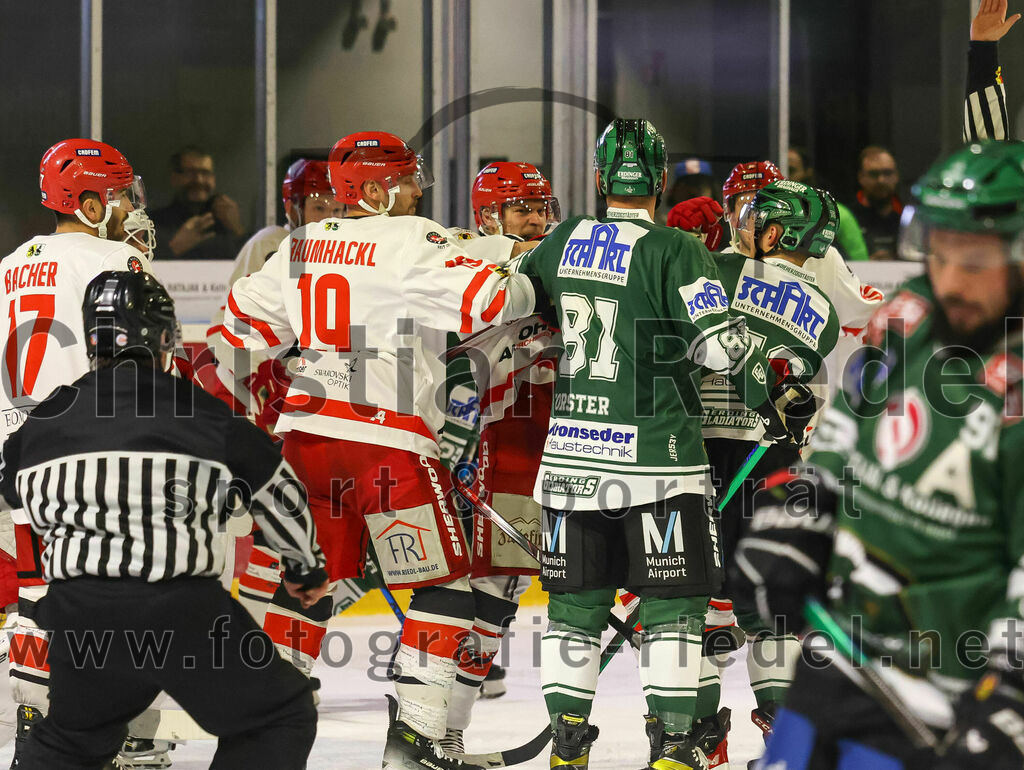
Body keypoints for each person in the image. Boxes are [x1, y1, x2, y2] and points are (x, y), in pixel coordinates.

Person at [213, 130, 540, 770]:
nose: (419, 190)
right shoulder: (413, 239)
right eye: (409, 178)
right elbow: (493, 301)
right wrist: (520, 273)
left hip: (303, 443)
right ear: (374, 189)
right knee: (443, 585)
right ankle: (413, 743)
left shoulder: (300, 245)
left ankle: (263, 739)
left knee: (297, 591)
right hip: (387, 445)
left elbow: (238, 328)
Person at [732, 139, 1024, 770]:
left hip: (950, 689)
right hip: (844, 650)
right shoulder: (908, 316)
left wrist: (1012, 694)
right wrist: (798, 510)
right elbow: (842, 434)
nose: (949, 281)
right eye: (938, 256)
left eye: (974, 263)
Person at [511, 118, 789, 770]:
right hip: (660, 465)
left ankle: (568, 748)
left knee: (574, 612)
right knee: (673, 612)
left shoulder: (561, 240)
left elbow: (511, 310)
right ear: (661, 182)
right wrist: (768, 390)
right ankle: (671, 751)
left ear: (602, 179)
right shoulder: (675, 248)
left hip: (570, 463)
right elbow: (720, 347)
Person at [0, 269, 328, 770]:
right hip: (179, 609)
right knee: (279, 714)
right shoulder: (191, 407)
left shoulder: (46, 416)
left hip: (78, 613)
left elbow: (11, 490)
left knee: (72, 739)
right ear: (164, 338)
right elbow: (278, 489)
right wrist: (305, 567)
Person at [0, 138, 165, 766]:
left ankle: (36, 730)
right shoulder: (116, 259)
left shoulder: (12, 263)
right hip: (94, 453)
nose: (128, 205)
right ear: (90, 200)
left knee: (40, 596)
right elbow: (139, 361)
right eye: (120, 194)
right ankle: (115, 734)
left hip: (24, 454)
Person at [692, 181, 842, 768]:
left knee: (698, 604)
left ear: (777, 231)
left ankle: (697, 736)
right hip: (772, 460)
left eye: (753, 215)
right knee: (769, 609)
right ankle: (780, 731)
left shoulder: (713, 267)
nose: (741, 220)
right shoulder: (823, 312)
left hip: (698, 452)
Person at [436, 162, 563, 754]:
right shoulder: (471, 260)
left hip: (585, 445)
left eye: (542, 206)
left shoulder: (564, 254)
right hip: (512, 442)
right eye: (521, 208)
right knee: (493, 595)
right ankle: (448, 730)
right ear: (489, 215)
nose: (537, 218)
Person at [149, 146, 248, 261]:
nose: (199, 180)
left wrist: (237, 229)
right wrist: (174, 247)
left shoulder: (225, 223)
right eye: (190, 173)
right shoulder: (155, 223)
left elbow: (253, 264)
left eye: (205, 173)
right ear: (174, 178)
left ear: (213, 179)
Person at [788, 147, 869, 263]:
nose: (784, 177)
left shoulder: (836, 213)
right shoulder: (762, 214)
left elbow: (862, 263)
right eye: (779, 171)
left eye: (790, 171)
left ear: (807, 172)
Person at [470, 161, 560, 240]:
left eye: (541, 210)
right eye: (522, 211)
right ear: (488, 217)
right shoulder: (466, 252)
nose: (536, 221)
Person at [849, 146, 902, 261]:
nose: (881, 180)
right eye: (874, 174)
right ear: (861, 177)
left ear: (896, 176)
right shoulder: (847, 217)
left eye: (887, 173)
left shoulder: (908, 218)